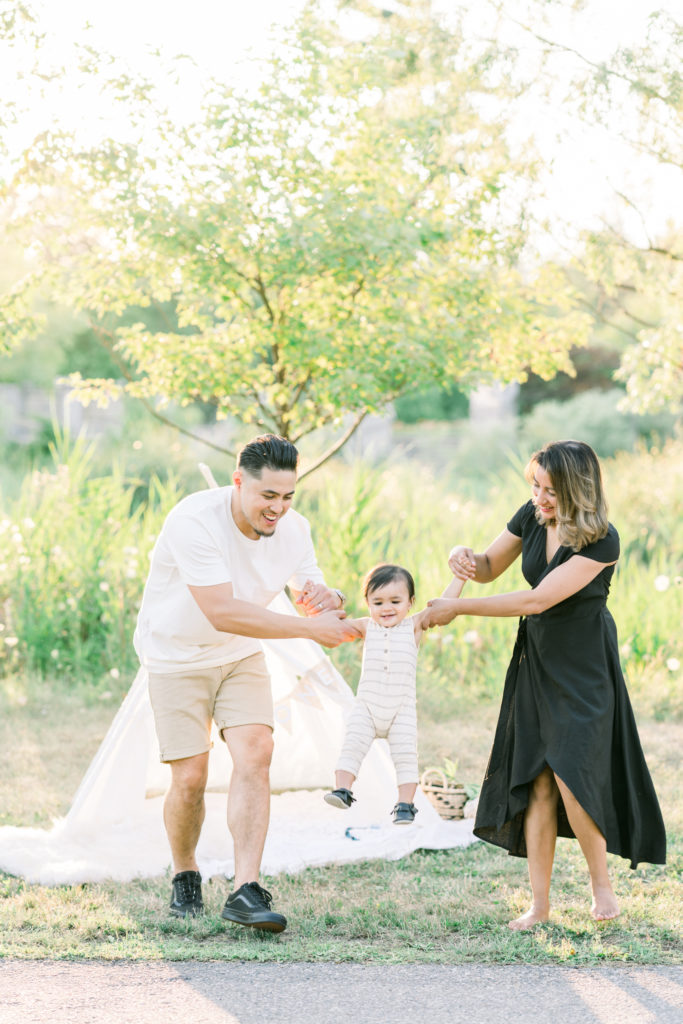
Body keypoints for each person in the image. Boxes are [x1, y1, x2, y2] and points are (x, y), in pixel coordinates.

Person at [422, 440, 666, 929]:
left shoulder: (602, 540)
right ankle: (539, 905)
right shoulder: (532, 515)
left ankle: (601, 885)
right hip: (535, 663)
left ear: (578, 489)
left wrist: (457, 609)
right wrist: (462, 556)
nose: (539, 497)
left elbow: (537, 600)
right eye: (534, 485)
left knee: (572, 778)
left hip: (584, 669)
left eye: (549, 490)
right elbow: (489, 567)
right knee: (535, 782)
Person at [134, 433, 359, 933]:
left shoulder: (294, 529)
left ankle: (246, 889)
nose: (278, 508)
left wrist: (325, 599)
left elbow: (307, 591)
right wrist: (309, 628)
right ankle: (185, 873)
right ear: (239, 483)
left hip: (240, 655)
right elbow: (221, 611)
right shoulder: (194, 520)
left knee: (256, 752)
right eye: (268, 496)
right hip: (176, 655)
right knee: (190, 777)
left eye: (288, 496)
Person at [324, 563, 464, 825]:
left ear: (410, 602)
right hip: (367, 706)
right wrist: (333, 598)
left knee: (406, 756)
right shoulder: (366, 626)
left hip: (401, 709)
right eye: (378, 602)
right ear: (367, 603)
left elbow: (443, 606)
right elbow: (331, 627)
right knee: (352, 745)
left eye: (395, 601)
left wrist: (460, 577)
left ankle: (405, 805)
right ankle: (343, 790)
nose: (386, 608)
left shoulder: (414, 625)